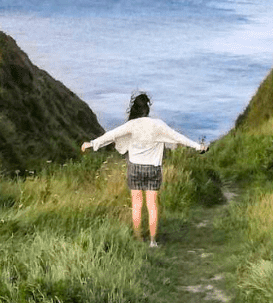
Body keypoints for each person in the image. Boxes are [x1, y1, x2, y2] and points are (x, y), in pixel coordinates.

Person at [81, 92, 205, 247]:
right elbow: (178, 137)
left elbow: (111, 135)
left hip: (135, 168)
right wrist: (198, 147)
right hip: (153, 168)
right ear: (147, 109)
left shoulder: (131, 125)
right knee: (152, 205)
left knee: (137, 205)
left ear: (136, 110)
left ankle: (138, 239)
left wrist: (91, 144)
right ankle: (153, 242)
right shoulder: (158, 124)